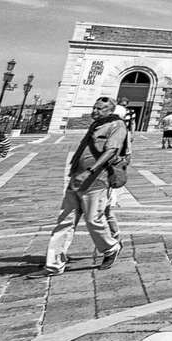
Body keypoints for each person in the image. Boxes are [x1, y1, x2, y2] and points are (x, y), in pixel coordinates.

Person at [34, 96, 125, 276]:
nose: (95, 111)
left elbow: (111, 151)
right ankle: (53, 265)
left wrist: (89, 171)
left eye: (100, 109)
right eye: (94, 107)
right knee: (64, 222)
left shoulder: (117, 126)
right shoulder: (95, 125)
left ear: (110, 110)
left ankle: (111, 248)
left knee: (94, 220)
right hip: (76, 179)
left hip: (96, 181)